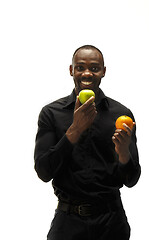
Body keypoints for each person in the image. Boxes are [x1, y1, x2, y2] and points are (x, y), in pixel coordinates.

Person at [34, 45, 141, 240]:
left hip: (112, 222)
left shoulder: (122, 115)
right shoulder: (51, 113)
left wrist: (124, 153)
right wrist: (75, 129)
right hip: (67, 222)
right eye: (80, 67)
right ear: (71, 70)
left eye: (94, 68)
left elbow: (131, 180)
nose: (87, 73)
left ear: (104, 72)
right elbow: (43, 171)